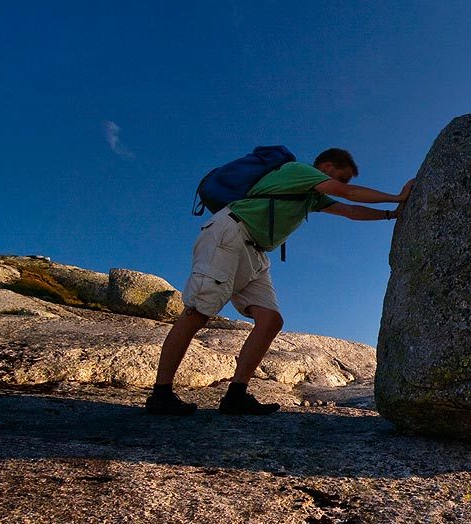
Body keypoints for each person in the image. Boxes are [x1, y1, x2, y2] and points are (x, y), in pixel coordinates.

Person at [146, 147, 413, 416]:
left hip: (255, 252)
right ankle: (161, 394)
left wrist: (392, 214)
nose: (340, 185)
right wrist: (397, 196)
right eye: (340, 178)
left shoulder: (310, 197)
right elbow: (349, 194)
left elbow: (350, 211)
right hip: (229, 234)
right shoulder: (299, 171)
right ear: (328, 166)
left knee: (271, 320)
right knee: (198, 312)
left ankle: (236, 396)